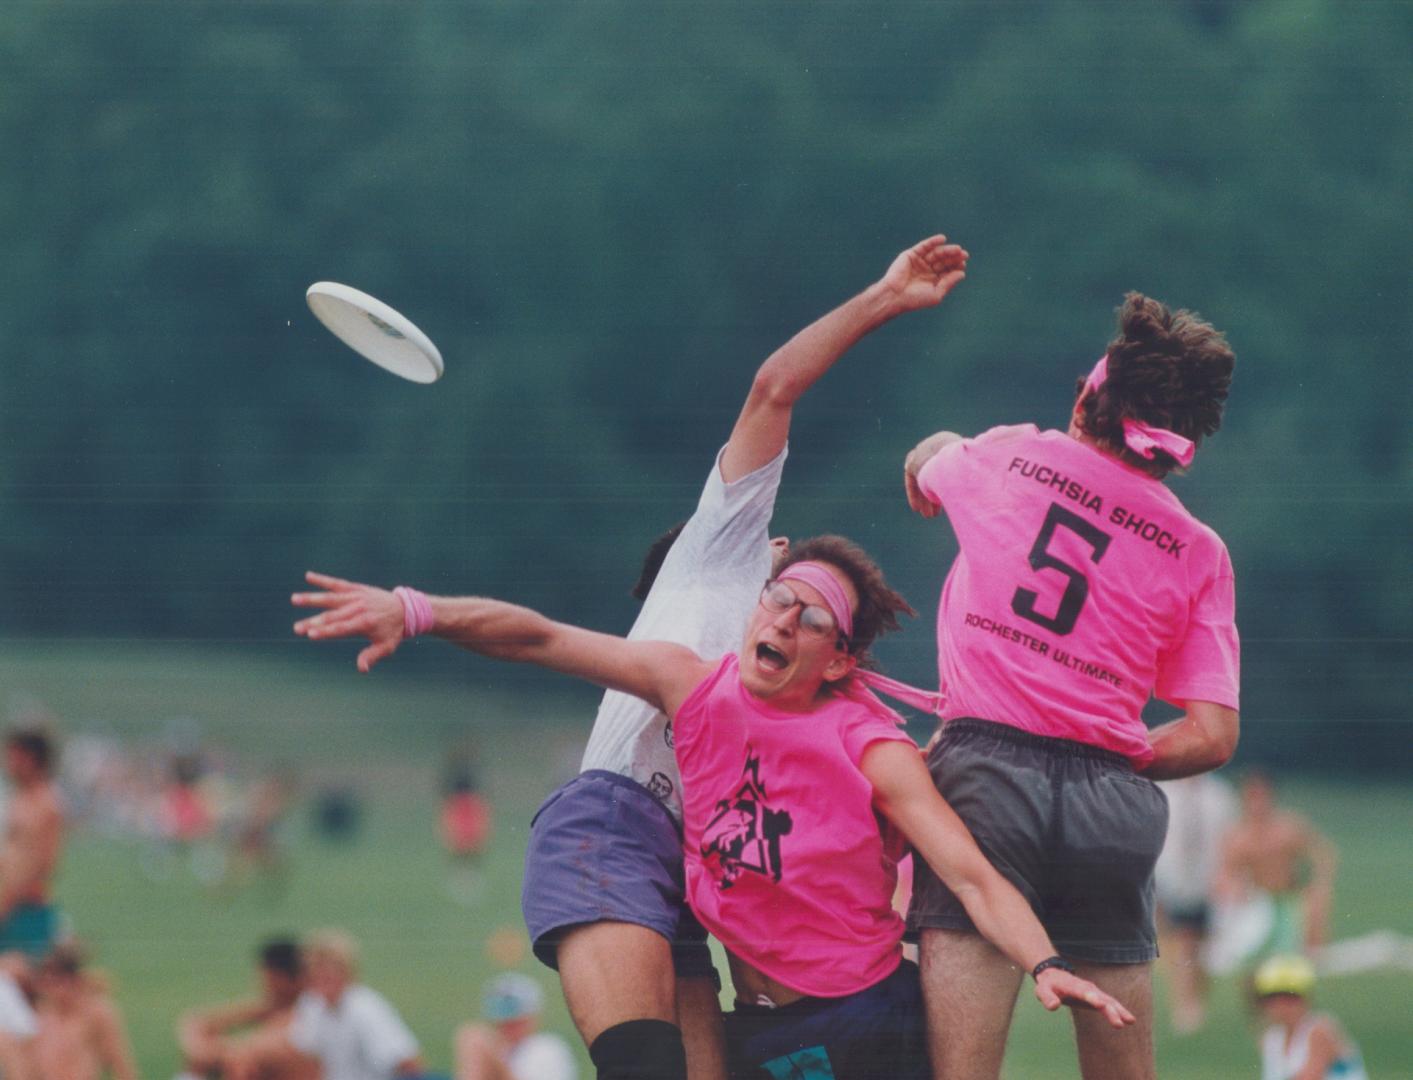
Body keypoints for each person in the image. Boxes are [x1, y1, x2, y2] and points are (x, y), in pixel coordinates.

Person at [304, 235, 973, 1080]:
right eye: (782, 576)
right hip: (616, 825)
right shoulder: (721, 549)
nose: (785, 576)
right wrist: (882, 298)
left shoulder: (806, 682)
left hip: (704, 872)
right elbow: (774, 386)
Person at [291, 542, 1135, 1079]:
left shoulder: (868, 746)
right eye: (778, 597)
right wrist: (416, 611)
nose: (783, 620)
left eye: (813, 619)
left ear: (838, 659)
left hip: (863, 1021)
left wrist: (1043, 962)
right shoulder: (693, 689)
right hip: (752, 1028)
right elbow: (540, 637)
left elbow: (970, 877)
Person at [902, 290, 1240, 1079]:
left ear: (1087, 397)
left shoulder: (1006, 454)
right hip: (1112, 801)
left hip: (980, 777)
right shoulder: (1199, 549)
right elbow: (1212, 735)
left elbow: (926, 456)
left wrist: (925, 474)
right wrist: (1114, 757)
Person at [1214, 771, 1337, 960]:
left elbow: (1323, 855)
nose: (1257, 804)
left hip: (1290, 898)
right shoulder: (1237, 837)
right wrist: (1234, 891)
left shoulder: (1289, 827)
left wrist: (1319, 887)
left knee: (1301, 952)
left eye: (1262, 796)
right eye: (1252, 797)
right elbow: (1225, 874)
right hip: (1258, 903)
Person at [1154, 773, 1238, 1033]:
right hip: (1172, 879)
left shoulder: (1219, 795)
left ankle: (1196, 1000)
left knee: (1201, 946)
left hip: (1208, 880)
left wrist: (1228, 877)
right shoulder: (1163, 791)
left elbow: (1230, 839)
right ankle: (1185, 1004)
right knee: (1183, 941)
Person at [283, 929, 426, 1080]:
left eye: (331, 968)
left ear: (348, 971)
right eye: (317, 967)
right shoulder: (310, 1005)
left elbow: (408, 1063)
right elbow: (306, 1057)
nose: (323, 975)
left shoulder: (365, 1008)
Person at [175, 936, 318, 1080]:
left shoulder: (305, 1016)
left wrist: (211, 1053)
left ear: (276, 977)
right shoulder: (276, 1007)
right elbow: (196, 1022)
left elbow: (249, 1054)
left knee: (239, 1069)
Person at [0, 728, 66, 959]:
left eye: (13, 755)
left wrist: (5, 905)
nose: (7, 762)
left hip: (24, 910)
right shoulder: (17, 799)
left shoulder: (45, 805)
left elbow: (38, 866)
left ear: (29, 759)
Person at [31, 943, 138, 1080]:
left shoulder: (96, 1011)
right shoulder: (40, 1013)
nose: (49, 989)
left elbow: (120, 1063)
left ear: (70, 980)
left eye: (55, 982)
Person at [1252, 954, 1367, 1080]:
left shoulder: (1319, 1031)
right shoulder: (1272, 1039)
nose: (1282, 1006)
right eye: (1274, 998)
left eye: (1291, 997)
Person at [454, 972, 577, 1080]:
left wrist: (490, 1056)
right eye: (502, 1020)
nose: (506, 1025)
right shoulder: (501, 1049)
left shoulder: (547, 1048)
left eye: (514, 1021)